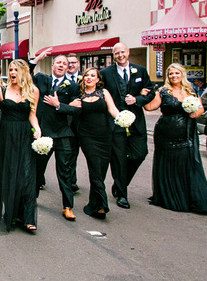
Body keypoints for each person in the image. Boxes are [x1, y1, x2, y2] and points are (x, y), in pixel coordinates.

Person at [144, 63, 207, 214]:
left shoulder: (190, 91)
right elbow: (150, 107)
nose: (173, 76)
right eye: (170, 74)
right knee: (167, 163)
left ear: (182, 74)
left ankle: (189, 198)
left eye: (176, 73)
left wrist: (194, 113)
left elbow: (200, 108)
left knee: (186, 164)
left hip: (186, 134)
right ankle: (168, 196)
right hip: (165, 133)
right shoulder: (163, 91)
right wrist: (144, 96)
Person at [100, 43, 155, 209]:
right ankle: (122, 194)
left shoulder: (140, 71)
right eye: (117, 53)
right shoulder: (105, 73)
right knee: (118, 159)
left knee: (140, 153)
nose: (120, 55)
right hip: (115, 123)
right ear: (113, 55)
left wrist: (137, 100)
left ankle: (119, 184)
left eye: (122, 52)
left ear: (128, 52)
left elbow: (151, 91)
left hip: (136, 122)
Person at [0, 60, 40, 233]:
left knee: (26, 175)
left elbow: (32, 115)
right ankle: (10, 214)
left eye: (15, 70)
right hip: (6, 136)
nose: (12, 73)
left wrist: (38, 129)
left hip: (25, 135)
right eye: (10, 69)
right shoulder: (2, 90)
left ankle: (27, 217)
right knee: (8, 174)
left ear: (24, 72)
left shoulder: (33, 90)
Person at [30, 52, 81, 221]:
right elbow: (26, 74)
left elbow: (76, 109)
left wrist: (59, 105)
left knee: (65, 171)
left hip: (62, 134)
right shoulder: (42, 79)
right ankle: (31, 199)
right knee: (37, 168)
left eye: (64, 64)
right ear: (52, 65)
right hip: (43, 133)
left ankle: (68, 206)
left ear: (68, 68)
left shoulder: (73, 86)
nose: (61, 65)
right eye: (58, 63)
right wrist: (37, 60)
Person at [69, 68, 120, 219]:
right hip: (86, 136)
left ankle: (94, 203)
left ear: (98, 80)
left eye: (93, 76)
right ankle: (103, 204)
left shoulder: (104, 93)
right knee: (95, 166)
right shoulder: (79, 95)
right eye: (87, 76)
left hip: (105, 136)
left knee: (100, 170)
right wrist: (72, 105)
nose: (89, 78)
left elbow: (113, 110)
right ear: (83, 79)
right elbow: (70, 109)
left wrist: (124, 118)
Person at [64, 53, 82, 192]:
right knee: (70, 153)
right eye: (68, 62)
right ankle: (71, 181)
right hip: (67, 122)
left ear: (78, 64)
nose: (71, 65)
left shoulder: (86, 78)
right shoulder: (60, 80)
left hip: (84, 123)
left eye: (73, 62)